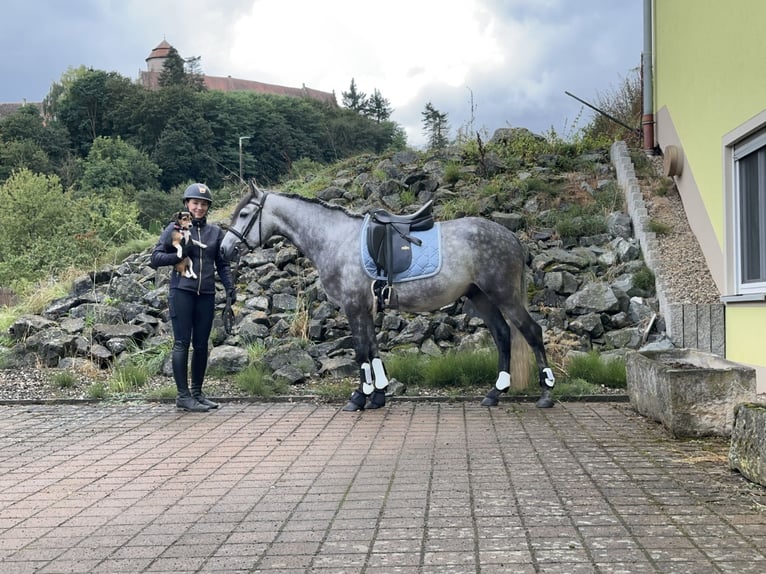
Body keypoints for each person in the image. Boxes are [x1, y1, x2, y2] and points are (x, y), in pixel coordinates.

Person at [150, 183, 236, 412]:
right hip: (182, 291)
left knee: (201, 345)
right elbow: (155, 258)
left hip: (206, 294)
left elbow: (222, 264)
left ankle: (197, 393)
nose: (199, 207)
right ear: (187, 204)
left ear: (208, 207)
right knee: (182, 343)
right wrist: (179, 255)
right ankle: (183, 396)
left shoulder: (215, 232)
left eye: (204, 204)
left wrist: (229, 288)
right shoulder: (174, 228)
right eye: (195, 203)